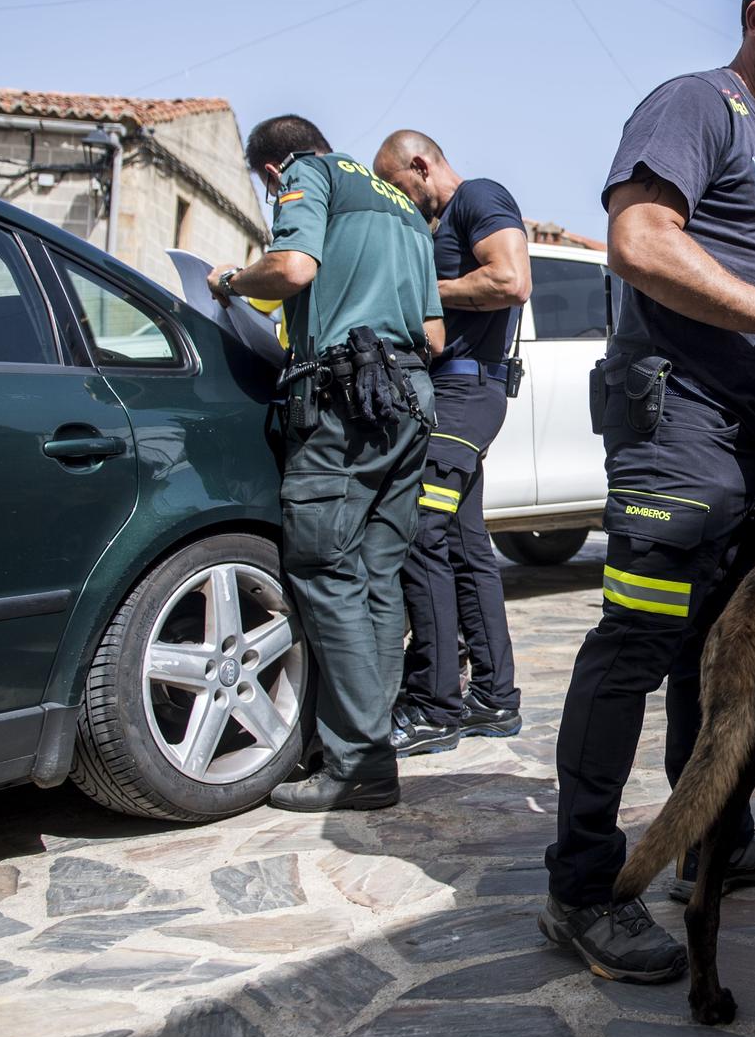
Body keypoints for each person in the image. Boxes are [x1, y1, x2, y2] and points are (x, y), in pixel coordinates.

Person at [540, 0, 755, 984]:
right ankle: (583, 886)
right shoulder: (694, 105)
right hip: (677, 430)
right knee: (635, 646)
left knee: (720, 662)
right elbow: (640, 241)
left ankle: (705, 846)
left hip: (753, 447)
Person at [205, 115, 442, 810]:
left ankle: (357, 762)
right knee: (374, 576)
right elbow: (434, 331)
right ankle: (372, 752)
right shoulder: (403, 205)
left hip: (343, 401)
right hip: (407, 399)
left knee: (323, 568)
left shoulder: (311, 175)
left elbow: (293, 268)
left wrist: (230, 279)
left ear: (272, 172)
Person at [372, 131, 531, 756]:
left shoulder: (478, 198)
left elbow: (511, 280)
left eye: (398, 184)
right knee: (465, 545)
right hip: (449, 395)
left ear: (421, 164)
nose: (398, 199)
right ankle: (493, 699)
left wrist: (417, 294)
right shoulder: (438, 225)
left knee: (419, 532)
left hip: (467, 396)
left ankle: (436, 705)